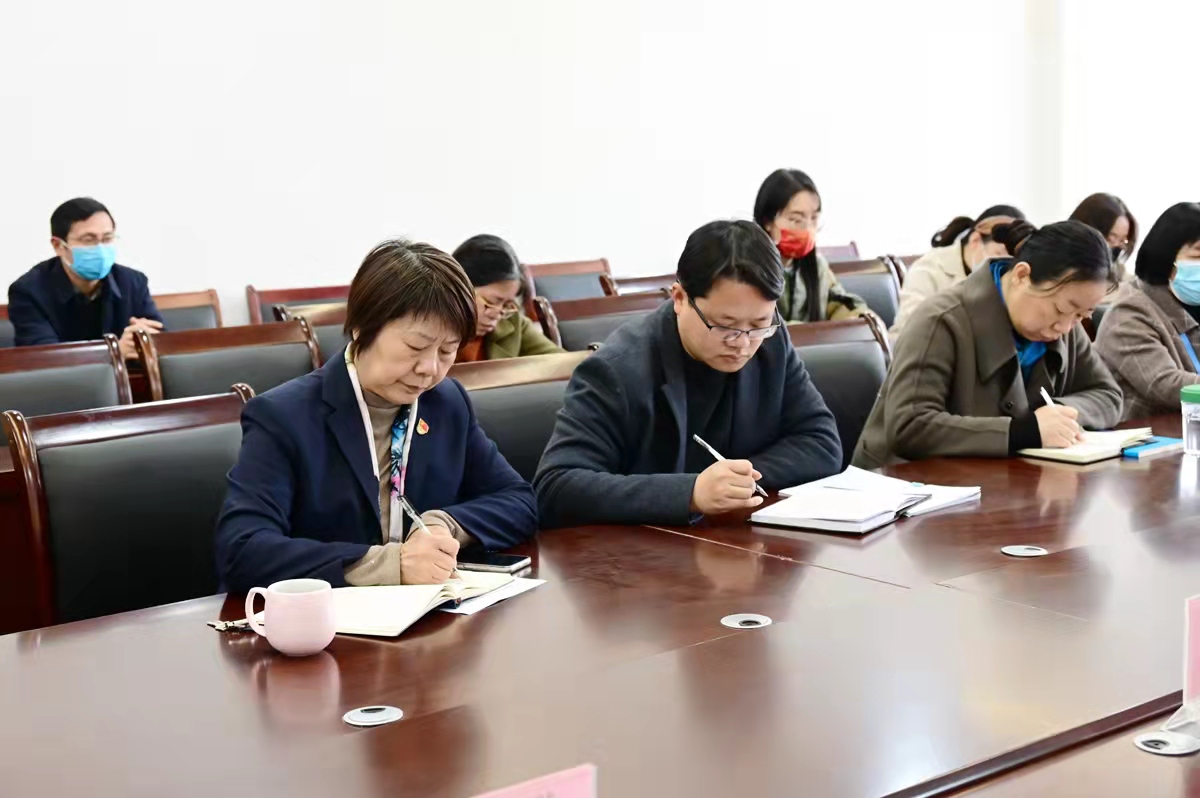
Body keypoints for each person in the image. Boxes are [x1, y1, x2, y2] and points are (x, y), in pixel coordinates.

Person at [215, 239, 538, 592]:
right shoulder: (284, 416)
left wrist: (445, 523)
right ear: (361, 327)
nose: (430, 369)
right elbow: (242, 550)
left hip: (427, 613)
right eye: (415, 347)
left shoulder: (445, 403)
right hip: (328, 618)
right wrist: (387, 565)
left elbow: (519, 500)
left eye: (447, 351)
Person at [534, 219, 842, 528]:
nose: (743, 343)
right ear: (680, 298)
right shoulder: (617, 369)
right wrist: (690, 492)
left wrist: (736, 480)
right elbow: (556, 486)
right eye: (725, 325)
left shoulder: (771, 342)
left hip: (734, 536)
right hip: (644, 548)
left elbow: (822, 443)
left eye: (759, 324)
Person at [853, 220, 1123, 469]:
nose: (1065, 326)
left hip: (1002, 481)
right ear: (1021, 275)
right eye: (1061, 309)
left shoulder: (1064, 326)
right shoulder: (941, 321)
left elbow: (1108, 395)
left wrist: (1059, 415)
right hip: (908, 487)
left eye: (1081, 315)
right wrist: (1024, 431)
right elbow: (910, 426)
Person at [8, 197, 163, 357]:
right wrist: (113, 352)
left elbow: (161, 337)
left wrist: (145, 338)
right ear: (58, 245)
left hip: (127, 373)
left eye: (107, 238)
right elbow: (42, 357)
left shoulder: (133, 282)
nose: (100, 248)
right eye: (89, 240)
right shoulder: (28, 292)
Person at [1094, 202, 1200, 420]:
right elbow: (1165, 384)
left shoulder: (1192, 301)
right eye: (1198, 255)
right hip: (1146, 433)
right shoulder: (1129, 312)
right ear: (1166, 256)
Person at [753, 169, 871, 323]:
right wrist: (799, 331)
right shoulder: (748, 269)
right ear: (767, 221)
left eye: (814, 219)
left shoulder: (818, 266)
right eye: (796, 220)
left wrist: (860, 317)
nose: (807, 229)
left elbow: (838, 302)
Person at [890, 205, 1025, 336]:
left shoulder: (1009, 278)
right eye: (1000, 254)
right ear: (975, 240)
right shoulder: (928, 269)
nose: (1004, 266)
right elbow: (913, 326)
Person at [451, 234, 564, 361]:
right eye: (491, 302)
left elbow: (562, 361)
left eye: (506, 305)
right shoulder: (435, 328)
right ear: (458, 290)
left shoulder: (512, 322)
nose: (497, 314)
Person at [1069, 192, 1138, 284]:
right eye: (1110, 239)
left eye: (1122, 241)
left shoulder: (1118, 274)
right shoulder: (1060, 271)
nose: (1116, 246)